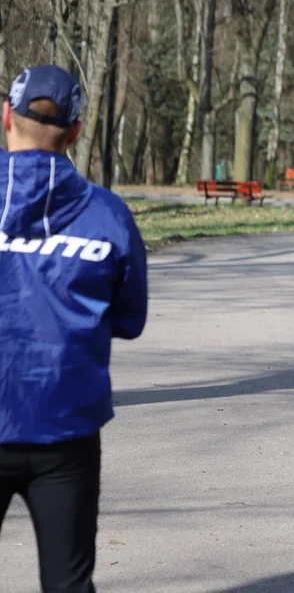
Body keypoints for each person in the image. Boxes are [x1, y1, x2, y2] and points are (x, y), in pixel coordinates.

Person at [0, 64, 148, 592]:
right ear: (77, 130)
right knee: (67, 584)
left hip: (58, 424)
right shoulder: (108, 216)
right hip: (66, 426)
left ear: (5, 117)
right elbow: (130, 320)